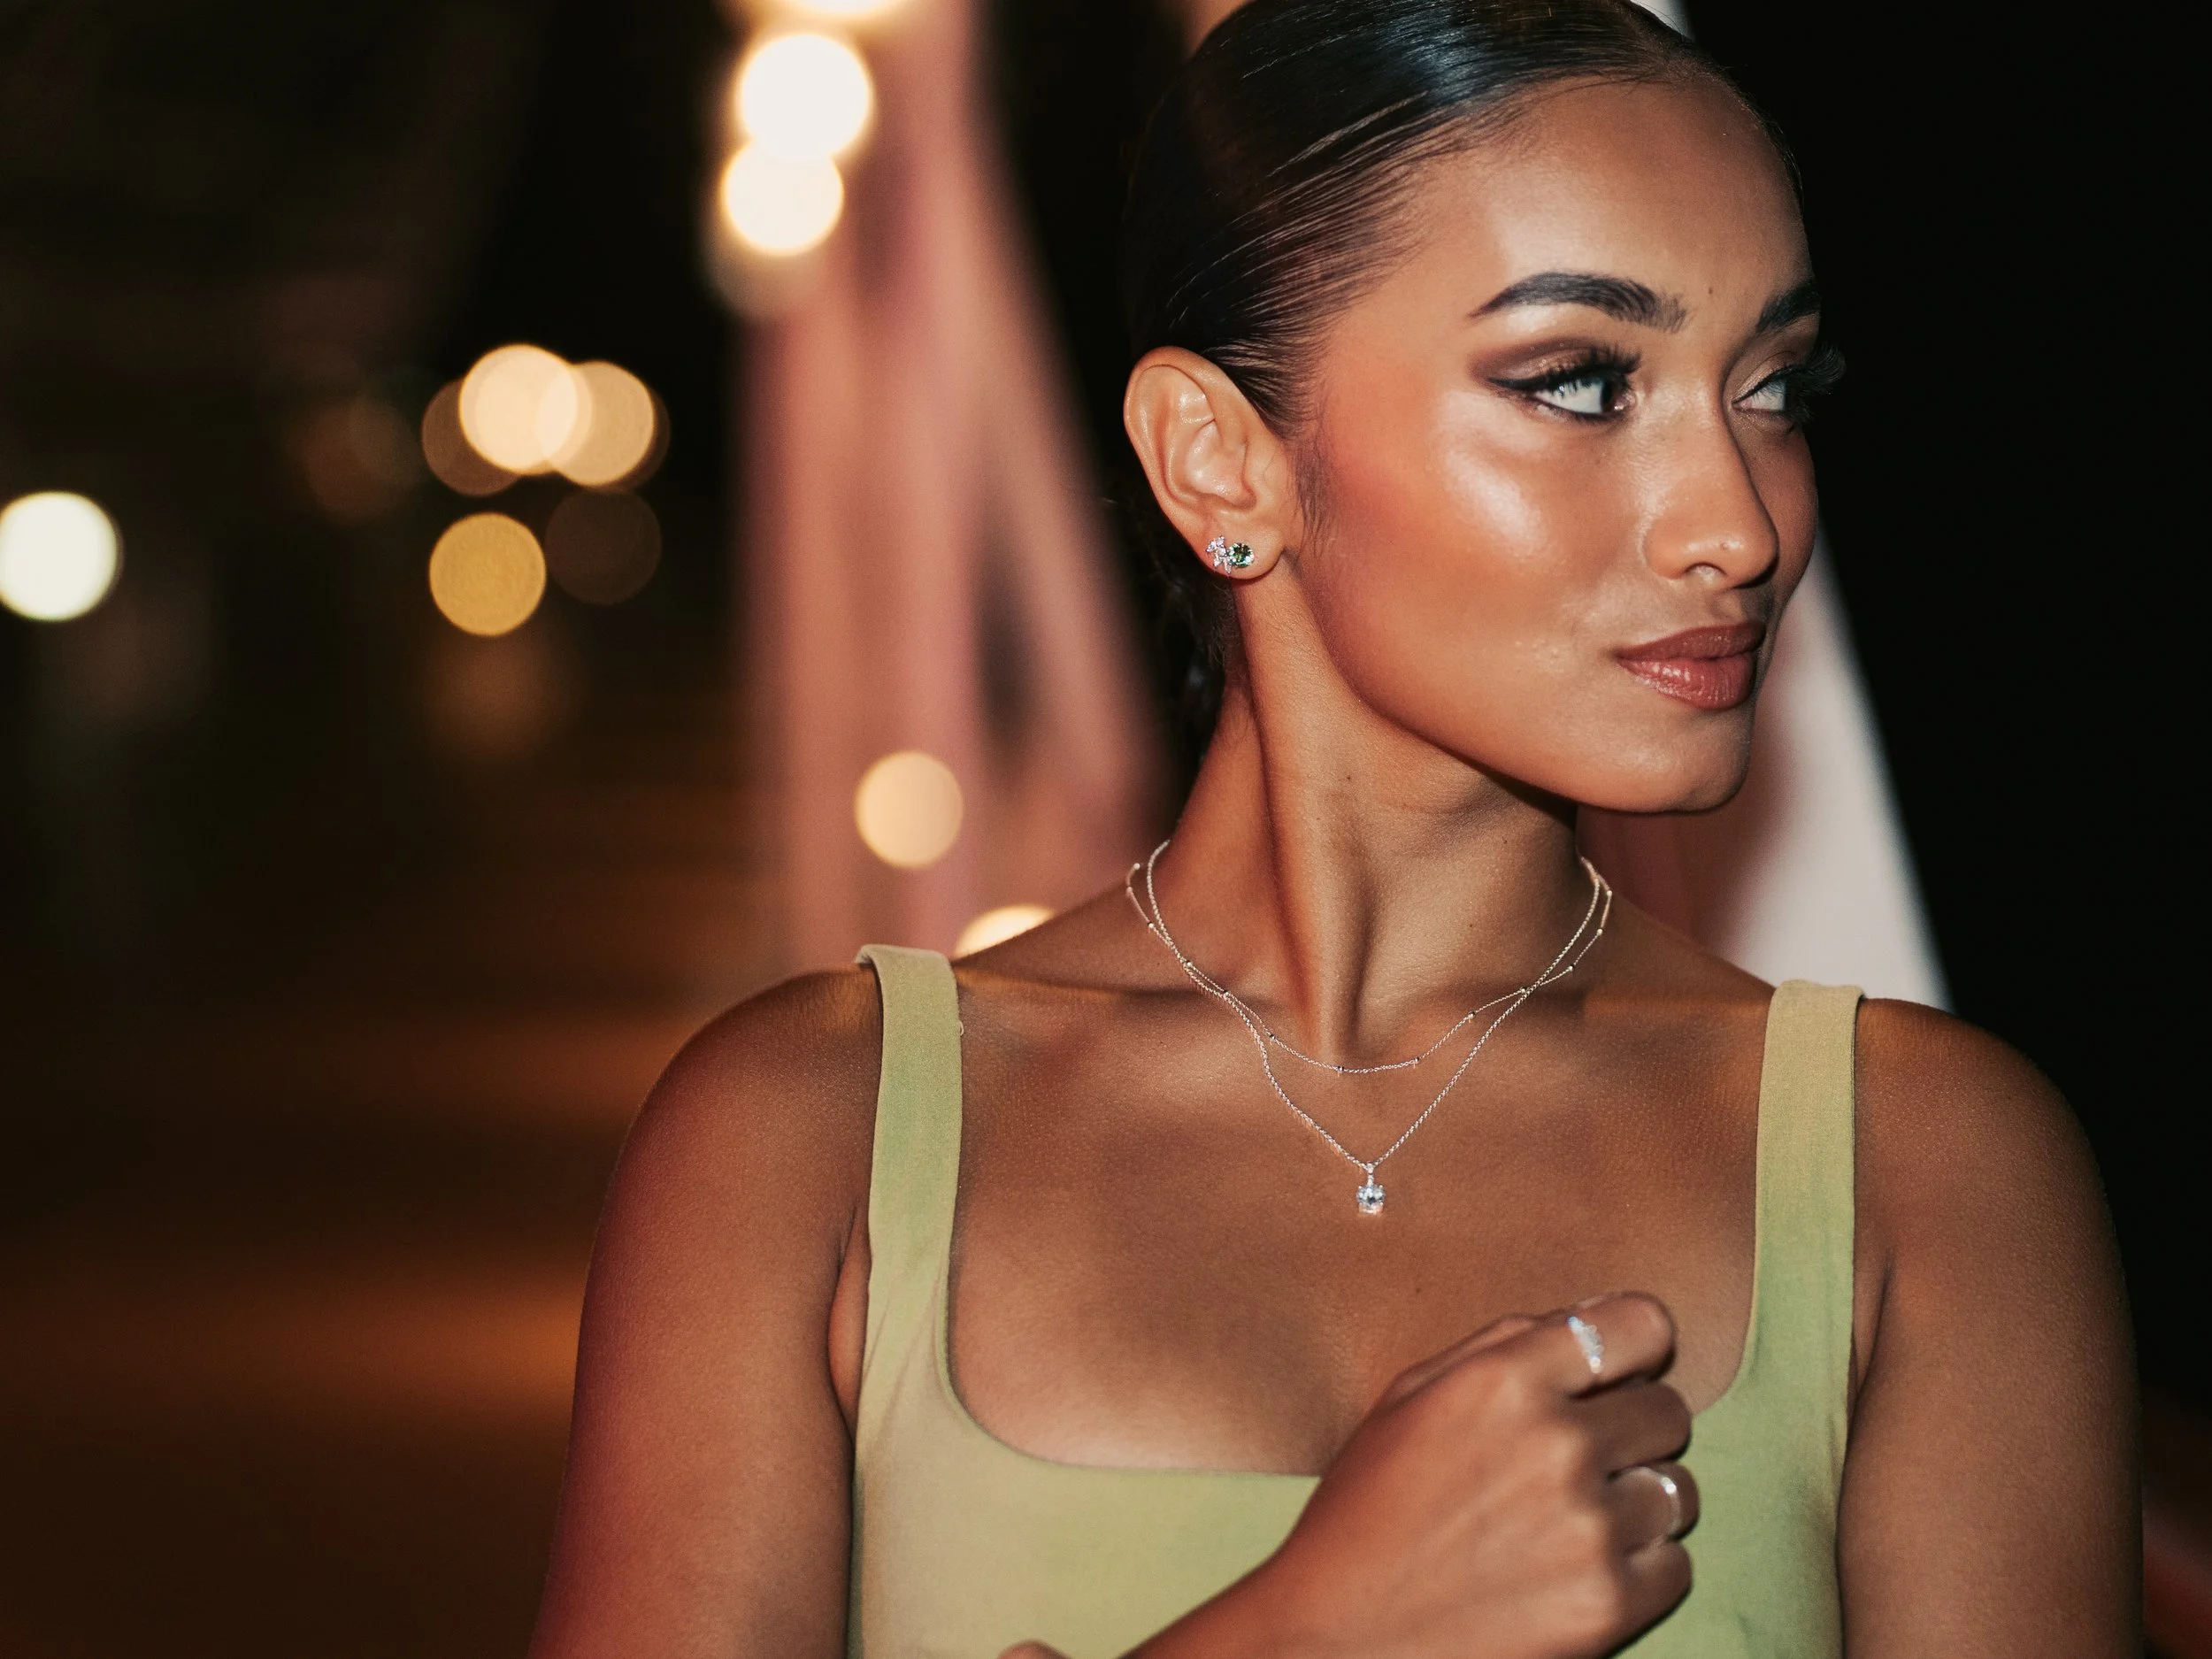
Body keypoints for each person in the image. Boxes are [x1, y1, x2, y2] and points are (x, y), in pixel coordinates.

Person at [526, 2, 2135, 1653]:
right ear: (1221, 463)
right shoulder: (806, 1143)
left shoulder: (1927, 1167)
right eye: (1580, 382)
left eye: (1775, 387)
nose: (1737, 521)